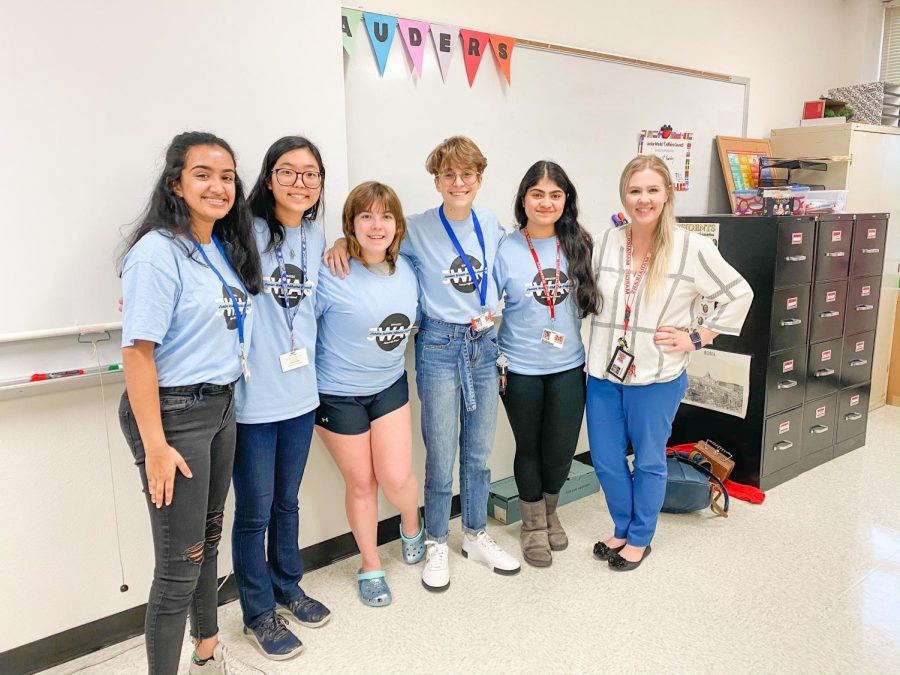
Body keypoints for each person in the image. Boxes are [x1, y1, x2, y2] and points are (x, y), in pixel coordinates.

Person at [325, 136, 520, 592]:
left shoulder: (490, 222)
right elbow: (375, 238)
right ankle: (436, 539)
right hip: (438, 346)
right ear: (435, 181)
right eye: (448, 175)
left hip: (483, 345)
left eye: (467, 174)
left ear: (479, 179)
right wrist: (339, 239)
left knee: (477, 451)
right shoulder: (414, 228)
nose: (458, 182)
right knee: (440, 453)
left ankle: (473, 534)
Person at [117, 131, 262, 675]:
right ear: (176, 182)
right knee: (178, 567)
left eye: (227, 177)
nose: (218, 186)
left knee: (207, 539)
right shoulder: (157, 251)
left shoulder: (218, 246)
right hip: (173, 414)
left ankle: (206, 650)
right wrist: (155, 445)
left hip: (221, 407)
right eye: (203, 174)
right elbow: (137, 354)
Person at [586, 155, 753, 571]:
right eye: (635, 190)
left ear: (666, 195)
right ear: (624, 195)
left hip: (657, 376)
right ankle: (622, 527)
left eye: (652, 190)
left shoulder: (691, 247)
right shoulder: (606, 241)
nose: (643, 199)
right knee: (606, 460)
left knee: (647, 460)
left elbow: (739, 293)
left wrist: (696, 337)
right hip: (604, 373)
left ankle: (640, 538)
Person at [231, 136, 331, 661]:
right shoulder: (240, 231)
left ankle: (287, 585)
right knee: (254, 511)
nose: (300, 183)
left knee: (286, 501)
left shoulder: (317, 236)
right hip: (252, 399)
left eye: (310, 174)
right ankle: (256, 611)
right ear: (269, 178)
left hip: (301, 394)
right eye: (288, 172)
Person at [314, 181, 424, 606]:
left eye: (385, 216)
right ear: (351, 224)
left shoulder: (409, 269)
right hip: (338, 394)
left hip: (388, 385)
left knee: (397, 478)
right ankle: (370, 564)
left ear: (397, 225)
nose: (376, 225)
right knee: (362, 483)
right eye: (365, 217)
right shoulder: (332, 270)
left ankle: (411, 525)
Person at [493, 161, 600, 567]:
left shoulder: (579, 242)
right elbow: (484, 304)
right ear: (524, 199)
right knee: (530, 447)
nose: (546, 202)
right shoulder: (505, 248)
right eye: (537, 194)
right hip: (519, 367)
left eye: (555, 195)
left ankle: (551, 513)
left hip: (568, 366)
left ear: (566, 200)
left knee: (560, 449)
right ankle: (533, 525)